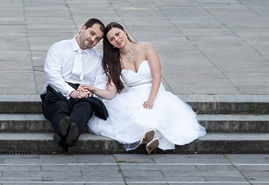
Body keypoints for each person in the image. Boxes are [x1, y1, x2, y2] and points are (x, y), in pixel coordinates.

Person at [79, 22, 205, 153]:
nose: (117, 39)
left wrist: (151, 99)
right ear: (110, 43)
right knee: (134, 113)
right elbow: (111, 93)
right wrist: (92, 89)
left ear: (124, 31)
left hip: (154, 90)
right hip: (133, 94)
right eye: (112, 39)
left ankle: (150, 135)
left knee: (157, 109)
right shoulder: (115, 60)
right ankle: (150, 135)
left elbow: (157, 76)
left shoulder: (146, 47)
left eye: (118, 34)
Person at [41, 19, 109, 153]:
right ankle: (67, 134)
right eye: (92, 33)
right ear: (83, 28)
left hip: (84, 95)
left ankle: (68, 132)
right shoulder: (59, 47)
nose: (92, 39)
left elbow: (100, 83)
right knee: (60, 107)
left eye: (97, 39)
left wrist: (89, 93)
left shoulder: (98, 59)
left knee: (86, 107)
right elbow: (52, 75)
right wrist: (71, 92)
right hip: (58, 91)